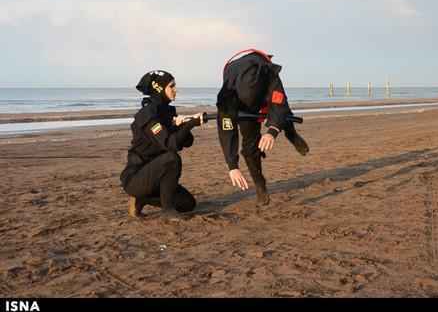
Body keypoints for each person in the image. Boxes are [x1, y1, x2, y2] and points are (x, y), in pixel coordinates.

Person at [216, 49, 309, 206]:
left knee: (282, 113)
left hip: (265, 90)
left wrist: (272, 130)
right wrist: (232, 165)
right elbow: (227, 130)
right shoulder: (228, 93)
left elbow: (280, 104)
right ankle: (260, 184)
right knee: (250, 147)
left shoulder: (268, 72)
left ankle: (291, 132)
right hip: (243, 109)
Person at [120, 70, 204, 219]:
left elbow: (187, 142)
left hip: (157, 176)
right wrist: (190, 124)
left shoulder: (166, 112)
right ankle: (167, 211)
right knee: (172, 158)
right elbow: (170, 144)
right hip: (136, 178)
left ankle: (143, 199)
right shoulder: (148, 115)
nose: (175, 90)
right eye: (171, 86)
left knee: (187, 204)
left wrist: (181, 124)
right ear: (159, 88)